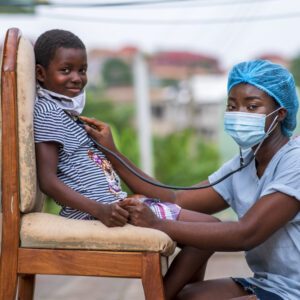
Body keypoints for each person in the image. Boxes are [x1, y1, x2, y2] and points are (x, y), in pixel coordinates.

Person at [82, 60, 300, 300]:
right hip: (268, 284)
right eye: (232, 106)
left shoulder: (295, 161)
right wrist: (112, 152)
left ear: (280, 114)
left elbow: (247, 233)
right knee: (184, 297)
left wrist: (157, 224)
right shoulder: (245, 163)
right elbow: (178, 198)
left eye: (252, 107)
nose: (239, 115)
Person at [33, 29, 215, 229]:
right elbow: (48, 181)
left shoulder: (67, 114)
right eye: (66, 70)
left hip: (113, 207)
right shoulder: (48, 112)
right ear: (41, 73)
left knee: (210, 227)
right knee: (210, 226)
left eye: (82, 70)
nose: (77, 78)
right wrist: (100, 210)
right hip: (95, 214)